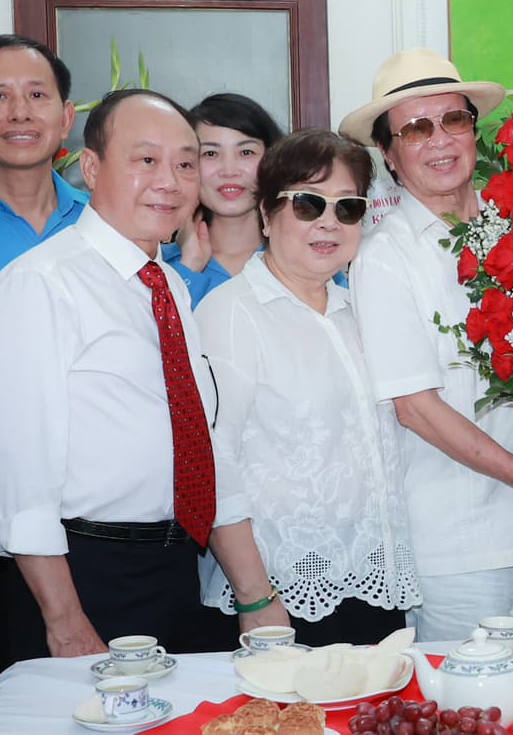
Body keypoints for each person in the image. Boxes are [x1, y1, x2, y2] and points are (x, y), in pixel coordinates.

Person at [0, 88, 287, 660]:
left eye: (185, 163)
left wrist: (254, 596)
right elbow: (18, 479)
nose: (169, 180)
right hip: (83, 574)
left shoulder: (164, 283)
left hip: (174, 568)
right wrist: (65, 622)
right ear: (91, 167)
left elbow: (203, 441)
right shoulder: (39, 285)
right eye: (145, 160)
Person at [342, 48, 513, 641]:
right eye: (415, 128)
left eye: (453, 120)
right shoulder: (385, 257)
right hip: (459, 544)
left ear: (474, 129)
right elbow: (416, 408)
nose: (439, 140)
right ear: (388, 153)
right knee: (466, 712)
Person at [195, 129, 419, 645]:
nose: (327, 222)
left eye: (347, 208)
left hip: (370, 587)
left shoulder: (357, 314)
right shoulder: (231, 314)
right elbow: (212, 465)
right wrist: (255, 598)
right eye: (308, 203)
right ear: (267, 215)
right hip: (278, 599)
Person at [0, 34, 87, 726]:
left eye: (37, 95)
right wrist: (9, 470)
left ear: (66, 118)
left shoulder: (112, 225)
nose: (20, 112)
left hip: (111, 527)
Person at [164, 92, 282, 306]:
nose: (229, 171)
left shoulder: (304, 258)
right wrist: (189, 266)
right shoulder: (154, 266)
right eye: (210, 154)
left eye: (246, 152)